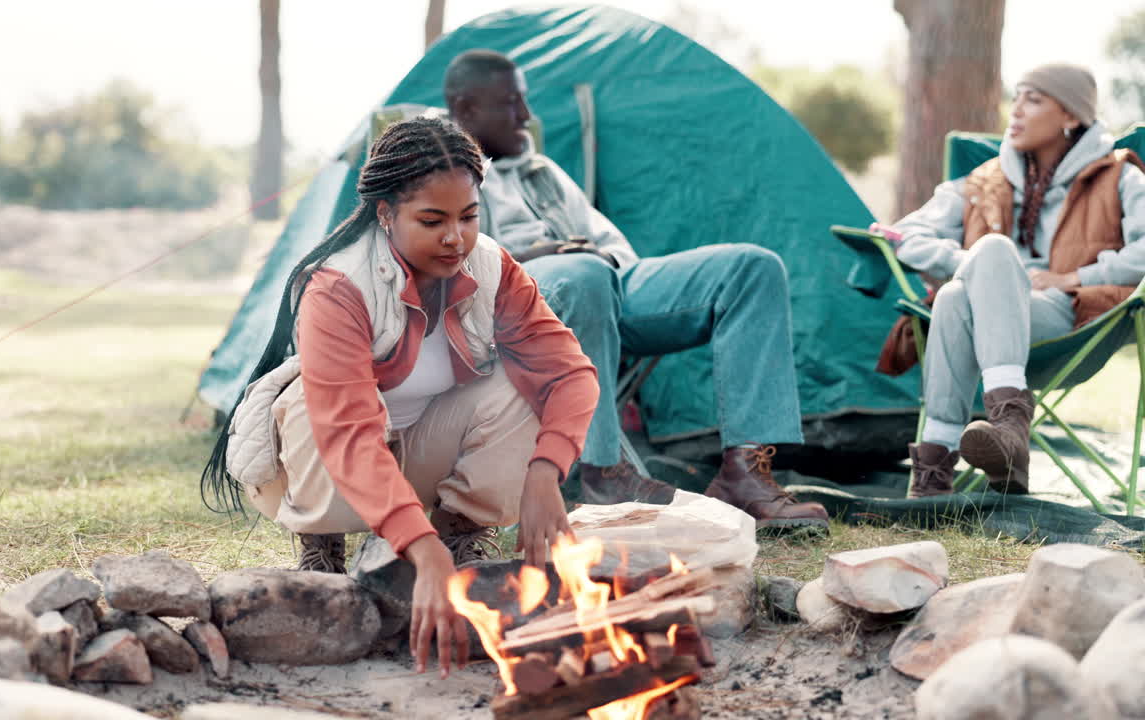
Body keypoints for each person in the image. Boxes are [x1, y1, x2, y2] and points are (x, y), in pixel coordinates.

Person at [201, 116, 598, 677]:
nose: (455, 238)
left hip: (417, 454)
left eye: (468, 216)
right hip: (333, 465)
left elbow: (569, 374)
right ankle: (324, 549)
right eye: (432, 220)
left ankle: (460, 537)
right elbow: (350, 433)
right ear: (386, 215)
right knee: (315, 408)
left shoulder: (491, 267)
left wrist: (545, 473)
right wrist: (421, 547)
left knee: (519, 383)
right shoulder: (338, 284)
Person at [442, 49, 829, 531]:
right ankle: (602, 472)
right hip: (517, 307)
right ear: (465, 108)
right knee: (583, 273)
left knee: (752, 268)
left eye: (524, 100)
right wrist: (551, 253)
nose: (526, 115)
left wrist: (594, 258)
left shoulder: (540, 169)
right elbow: (454, 269)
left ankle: (745, 473)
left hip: (604, 284)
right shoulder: (440, 172)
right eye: (510, 103)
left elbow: (613, 247)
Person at [883, 63, 1145, 497]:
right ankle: (978, 448)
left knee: (985, 259)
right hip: (979, 318)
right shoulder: (983, 180)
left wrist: (1072, 276)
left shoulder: (1120, 176)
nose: (1016, 110)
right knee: (958, 288)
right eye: (1017, 96)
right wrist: (974, 264)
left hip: (1072, 318)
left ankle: (954, 455)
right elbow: (906, 234)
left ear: (1071, 116)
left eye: (1034, 99)